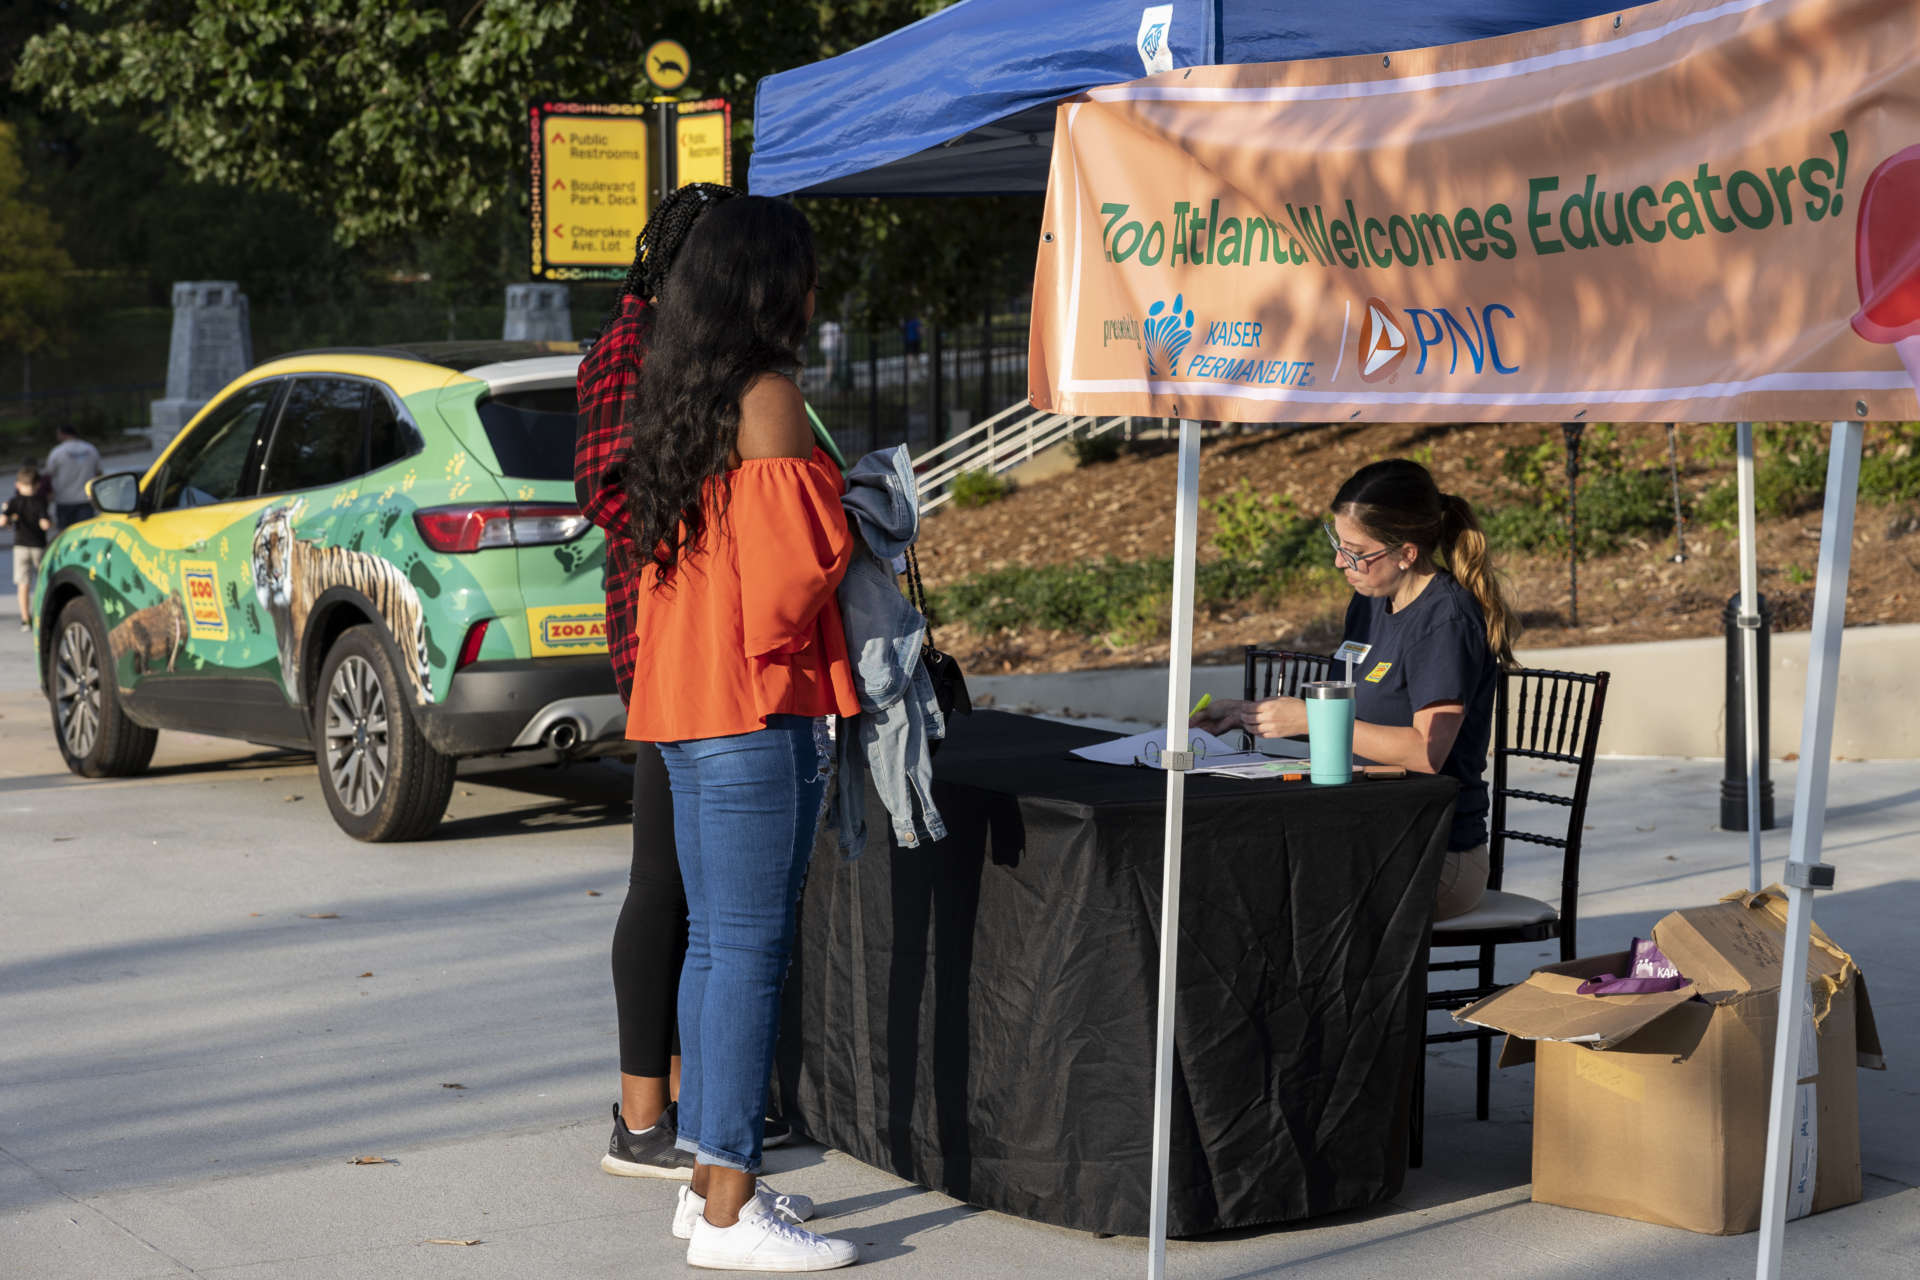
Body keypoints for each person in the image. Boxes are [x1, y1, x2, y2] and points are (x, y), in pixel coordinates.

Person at [624, 195, 862, 1271]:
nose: (817, 292)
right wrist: (846, 510)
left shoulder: (681, 392)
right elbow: (785, 581)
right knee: (748, 954)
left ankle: (706, 1182)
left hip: (690, 700)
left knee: (718, 948)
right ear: (771, 287)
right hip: (753, 705)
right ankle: (730, 1210)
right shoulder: (769, 396)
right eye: (805, 272)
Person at [576, 184, 807, 1209]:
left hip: (685, 658)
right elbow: (787, 569)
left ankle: (705, 1146)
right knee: (709, 919)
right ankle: (695, 1164)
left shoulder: (679, 370)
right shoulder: (706, 374)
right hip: (718, 671)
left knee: (708, 925)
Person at [1193, 458, 1518, 921]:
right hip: (1362, 829)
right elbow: (1352, 723)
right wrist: (1251, 714)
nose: (1338, 561)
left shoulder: (1445, 620)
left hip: (1433, 855)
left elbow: (1425, 752)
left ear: (1405, 553)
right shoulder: (1369, 605)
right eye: (1337, 542)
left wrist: (1312, 718)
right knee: (1234, 870)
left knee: (1276, 902)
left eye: (1355, 550)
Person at [3, 465, 53, 632]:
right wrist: (46, 524)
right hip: (37, 546)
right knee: (42, 582)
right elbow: (45, 522)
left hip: (21, 547)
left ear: (18, 485)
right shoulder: (41, 501)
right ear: (38, 485)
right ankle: (40, 615)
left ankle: (26, 618)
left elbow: (3, 521)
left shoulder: (13, 502)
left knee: (23, 583)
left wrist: (6, 516)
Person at [43, 425, 102, 529]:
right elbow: (99, 473)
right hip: (86, 499)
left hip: (64, 500)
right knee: (85, 534)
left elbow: (48, 475)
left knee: (65, 535)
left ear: (62, 434)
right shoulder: (91, 449)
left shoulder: (57, 452)